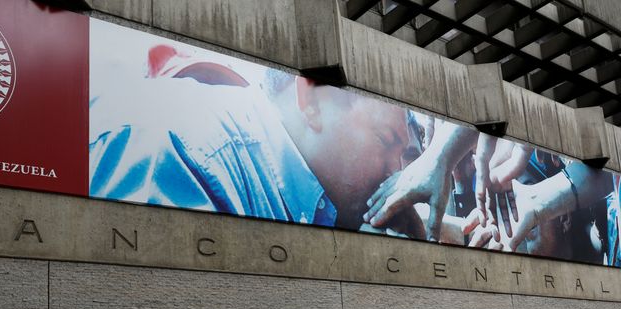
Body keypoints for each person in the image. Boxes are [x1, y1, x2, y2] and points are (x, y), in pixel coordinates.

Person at [89, 37, 415, 231]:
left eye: (403, 154)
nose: (396, 172)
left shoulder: (318, 196)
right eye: (386, 141)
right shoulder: (182, 151)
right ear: (312, 102)